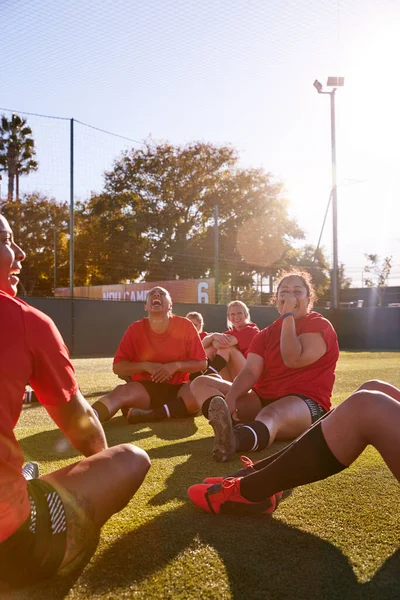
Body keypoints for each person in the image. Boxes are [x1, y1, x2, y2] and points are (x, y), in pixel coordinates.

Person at [0, 215, 151, 588]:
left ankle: (24, 476)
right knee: (132, 459)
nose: (20, 253)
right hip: (11, 545)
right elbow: (82, 424)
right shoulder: (24, 320)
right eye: (7, 239)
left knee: (28, 467)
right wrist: (101, 462)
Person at [187, 379, 400, 514]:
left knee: (365, 406)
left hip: (304, 402)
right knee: (371, 387)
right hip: (269, 397)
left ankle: (253, 489)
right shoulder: (268, 334)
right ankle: (261, 472)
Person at [191, 270, 339, 461]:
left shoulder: (318, 324)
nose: (289, 296)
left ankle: (235, 440)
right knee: (200, 383)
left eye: (297, 291)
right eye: (284, 292)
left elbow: (293, 358)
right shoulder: (265, 334)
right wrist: (233, 397)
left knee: (271, 413)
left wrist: (288, 317)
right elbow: (251, 371)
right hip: (263, 397)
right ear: (276, 299)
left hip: (306, 401)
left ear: (309, 298)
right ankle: (232, 428)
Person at [92, 287, 207, 425]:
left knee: (198, 392)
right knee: (122, 391)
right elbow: (118, 367)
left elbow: (202, 363)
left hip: (179, 390)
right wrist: (146, 366)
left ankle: (154, 415)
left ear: (170, 305)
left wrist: (175, 366)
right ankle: (89, 417)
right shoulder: (135, 329)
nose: (156, 294)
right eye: (151, 294)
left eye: (162, 294)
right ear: (146, 306)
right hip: (144, 390)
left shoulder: (185, 325)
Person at [201, 301, 260, 381]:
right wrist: (213, 336)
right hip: (236, 375)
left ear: (246, 315)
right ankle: (201, 374)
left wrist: (214, 340)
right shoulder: (232, 332)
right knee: (210, 349)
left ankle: (208, 375)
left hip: (252, 375)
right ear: (229, 317)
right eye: (232, 314)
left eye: (239, 313)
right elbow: (202, 347)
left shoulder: (251, 330)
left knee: (228, 348)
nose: (236, 317)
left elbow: (222, 345)